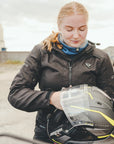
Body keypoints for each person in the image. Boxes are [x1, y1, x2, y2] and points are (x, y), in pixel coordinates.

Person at [8, 1, 114, 144]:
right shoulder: (42, 53)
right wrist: (52, 98)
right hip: (46, 135)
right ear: (59, 27)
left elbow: (110, 100)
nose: (76, 35)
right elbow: (16, 94)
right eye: (69, 29)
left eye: (82, 29)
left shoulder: (100, 58)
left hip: (88, 137)